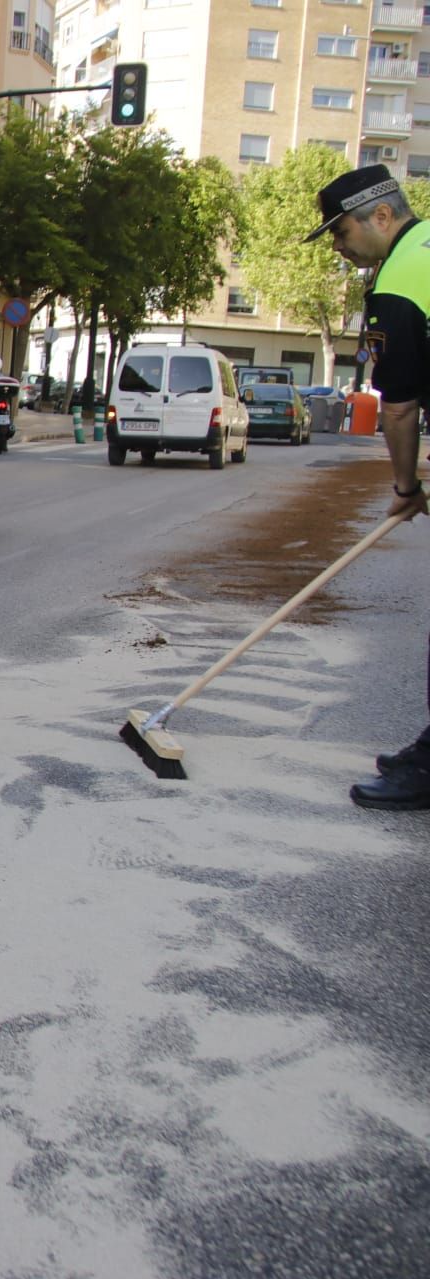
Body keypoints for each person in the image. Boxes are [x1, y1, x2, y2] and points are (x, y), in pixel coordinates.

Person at [306, 164, 430, 809]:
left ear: (381, 216)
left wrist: (406, 485)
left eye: (341, 231)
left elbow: (400, 406)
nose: (339, 247)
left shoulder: (401, 279)